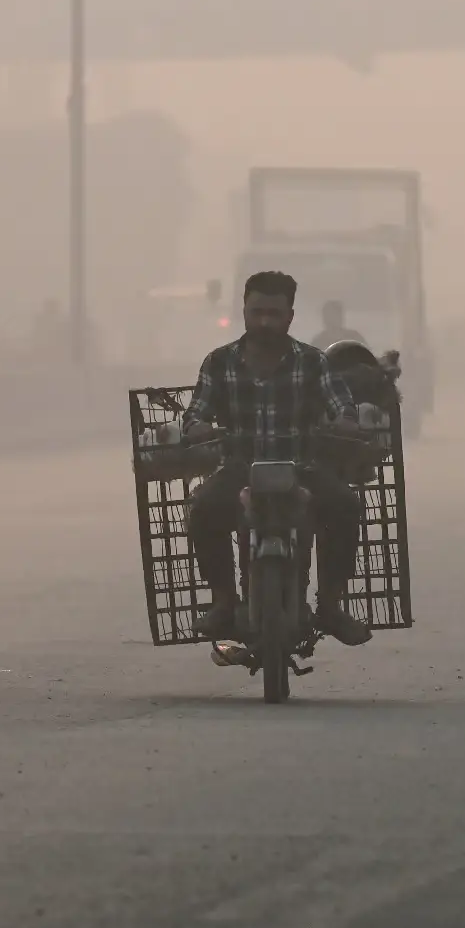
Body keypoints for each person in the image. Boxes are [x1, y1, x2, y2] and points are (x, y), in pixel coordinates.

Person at [182, 271, 373, 647]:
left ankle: (331, 605)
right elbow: (196, 413)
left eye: (274, 313)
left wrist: (347, 423)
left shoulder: (313, 362)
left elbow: (341, 406)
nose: (265, 321)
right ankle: (223, 600)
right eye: (257, 312)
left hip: (302, 467)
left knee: (346, 507)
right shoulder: (218, 363)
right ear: (244, 311)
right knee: (203, 508)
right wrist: (196, 427)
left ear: (290, 315)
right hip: (239, 469)